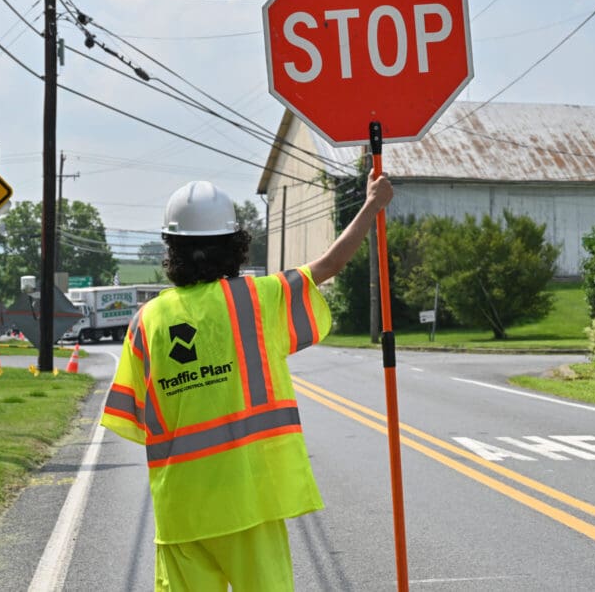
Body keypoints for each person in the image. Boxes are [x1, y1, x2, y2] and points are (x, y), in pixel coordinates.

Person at [100, 174, 393, 591]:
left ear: (172, 249)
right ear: (236, 245)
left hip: (181, 511)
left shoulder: (145, 323)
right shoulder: (258, 299)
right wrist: (371, 205)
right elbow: (329, 265)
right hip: (252, 500)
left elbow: (133, 417)